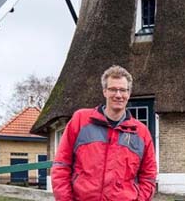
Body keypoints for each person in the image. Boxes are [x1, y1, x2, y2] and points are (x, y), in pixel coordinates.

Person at [51, 65, 157, 201]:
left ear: (129, 93)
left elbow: (148, 176)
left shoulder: (141, 133)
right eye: (113, 89)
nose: (118, 95)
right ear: (104, 91)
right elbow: (61, 165)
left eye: (123, 90)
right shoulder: (80, 121)